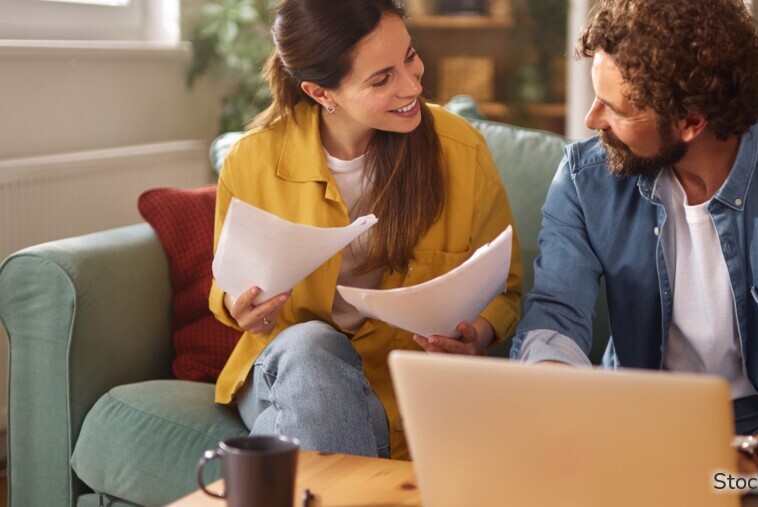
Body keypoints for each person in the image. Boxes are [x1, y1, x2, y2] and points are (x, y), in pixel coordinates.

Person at [510, 0, 758, 504]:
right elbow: (554, 318)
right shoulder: (585, 180)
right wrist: (569, 408)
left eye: (615, 107)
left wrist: (742, 460)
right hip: (636, 415)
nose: (593, 120)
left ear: (690, 122)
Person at [210, 0, 523, 461]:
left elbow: (507, 290)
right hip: (287, 371)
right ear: (321, 93)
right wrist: (241, 308)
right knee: (311, 346)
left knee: (286, 433)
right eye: (382, 79)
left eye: (410, 56)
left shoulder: (461, 150)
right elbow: (226, 283)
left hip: (400, 391)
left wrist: (474, 334)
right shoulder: (253, 162)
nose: (413, 82)